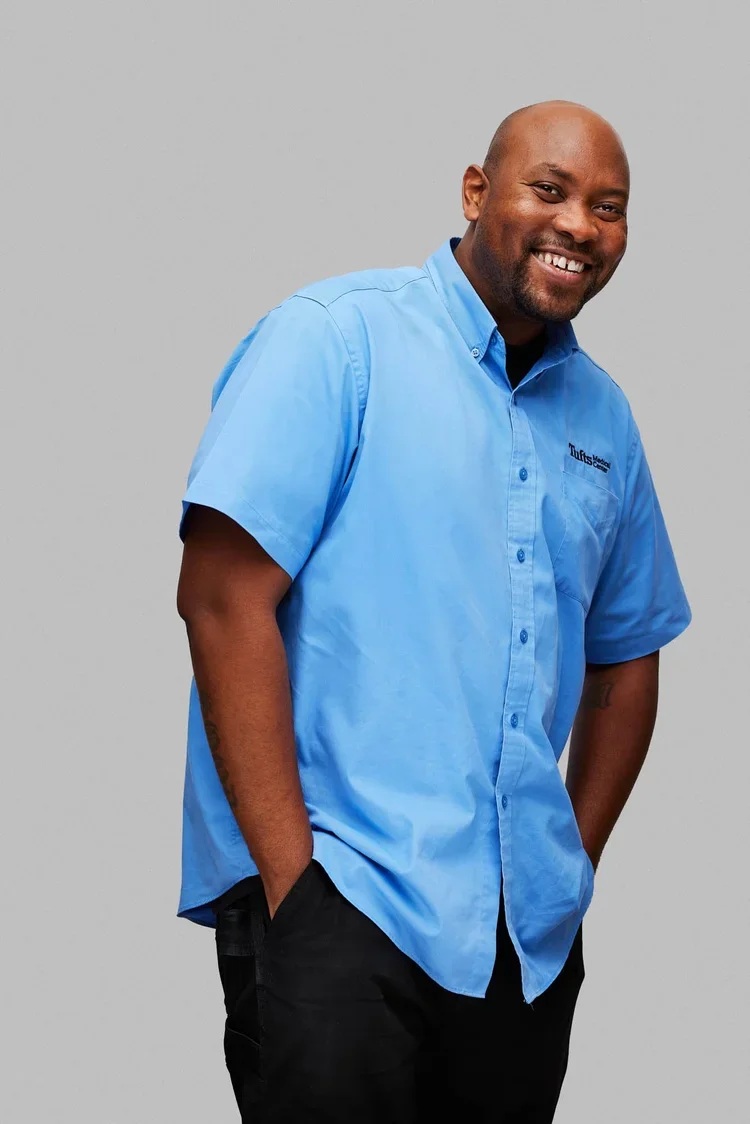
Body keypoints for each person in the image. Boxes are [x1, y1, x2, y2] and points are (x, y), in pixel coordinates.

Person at [175, 99, 691, 1122]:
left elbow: (629, 653)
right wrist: (296, 886)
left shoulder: (606, 419)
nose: (580, 225)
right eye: (549, 190)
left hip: (522, 939)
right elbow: (223, 596)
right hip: (340, 894)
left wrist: (568, 862)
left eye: (610, 207)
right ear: (474, 192)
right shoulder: (335, 342)